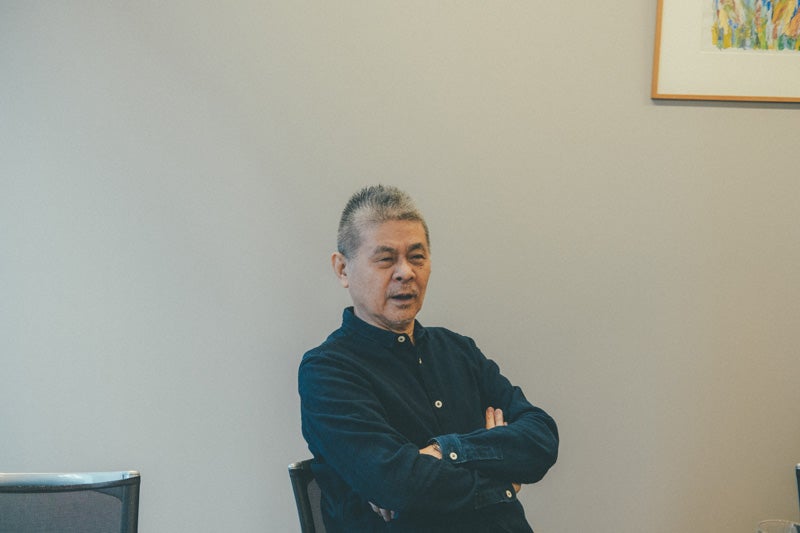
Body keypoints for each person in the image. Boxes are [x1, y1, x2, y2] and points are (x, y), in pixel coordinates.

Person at [299, 185, 558, 532]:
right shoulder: (327, 371)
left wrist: (442, 451)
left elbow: (541, 438)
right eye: (386, 259)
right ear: (343, 269)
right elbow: (396, 483)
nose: (406, 272)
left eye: (417, 257)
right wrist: (502, 480)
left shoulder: (458, 350)